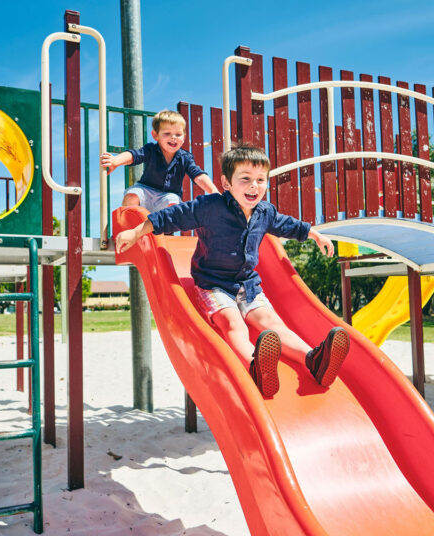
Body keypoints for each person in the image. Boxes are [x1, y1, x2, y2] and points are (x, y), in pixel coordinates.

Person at [115, 146, 349, 397]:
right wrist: (137, 231)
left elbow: (286, 224)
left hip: (247, 284)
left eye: (260, 180)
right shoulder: (211, 206)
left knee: (272, 323)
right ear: (226, 183)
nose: (254, 186)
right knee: (233, 323)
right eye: (245, 179)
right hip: (213, 284)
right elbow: (172, 215)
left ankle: (313, 360)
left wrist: (312, 233)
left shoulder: (264, 212)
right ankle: (255, 366)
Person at [99, 109, 217, 211]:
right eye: (167, 133)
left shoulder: (185, 158)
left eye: (178, 134)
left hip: (167, 196)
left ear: (184, 137)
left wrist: (213, 191)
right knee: (133, 195)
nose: (173, 137)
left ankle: (164, 233)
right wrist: (116, 161)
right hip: (146, 191)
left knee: (173, 202)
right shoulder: (151, 150)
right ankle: (129, 225)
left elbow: (198, 175)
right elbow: (134, 155)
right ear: (155, 135)